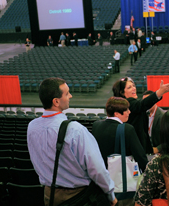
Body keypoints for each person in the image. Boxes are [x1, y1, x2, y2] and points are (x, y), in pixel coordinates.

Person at [27, 78, 117, 206]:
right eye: (67, 93)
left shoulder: (32, 127)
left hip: (49, 195)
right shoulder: (75, 130)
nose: (71, 96)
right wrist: (110, 194)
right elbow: (97, 169)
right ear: (56, 101)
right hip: (78, 197)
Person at [112, 77, 169, 154]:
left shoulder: (125, 104)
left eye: (133, 86)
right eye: (129, 87)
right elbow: (142, 104)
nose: (134, 88)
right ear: (122, 92)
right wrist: (159, 92)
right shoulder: (128, 103)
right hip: (135, 150)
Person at [92, 96, 148, 172]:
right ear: (117, 114)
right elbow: (140, 156)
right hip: (119, 175)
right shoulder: (127, 129)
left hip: (99, 174)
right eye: (126, 110)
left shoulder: (96, 125)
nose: (129, 112)